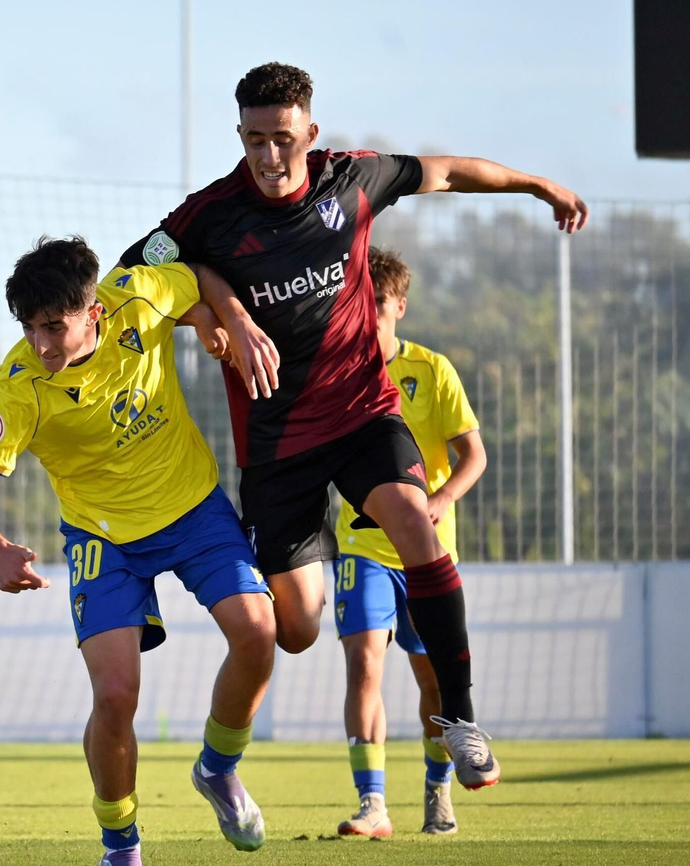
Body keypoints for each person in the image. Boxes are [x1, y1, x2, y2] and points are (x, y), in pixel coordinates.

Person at [120, 62, 588, 789]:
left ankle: (460, 721)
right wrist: (215, 313)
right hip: (277, 448)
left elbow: (450, 171)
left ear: (310, 131)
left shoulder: (354, 181)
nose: (270, 158)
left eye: (282, 139)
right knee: (298, 630)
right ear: (239, 138)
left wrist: (536, 185)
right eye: (254, 142)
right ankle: (221, 759)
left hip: (364, 413)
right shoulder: (208, 215)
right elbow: (133, 274)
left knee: (417, 528)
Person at [0, 236, 275, 866]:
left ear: (92, 311)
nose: (39, 343)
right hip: (102, 539)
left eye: (52, 326)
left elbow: (200, 275)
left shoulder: (139, 296)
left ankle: (217, 768)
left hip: (193, 510)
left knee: (259, 635)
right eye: (29, 328)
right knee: (116, 694)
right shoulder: (21, 387)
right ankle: (120, 850)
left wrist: (228, 318)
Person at [332, 248, 486, 839]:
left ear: (399, 305)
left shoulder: (432, 369)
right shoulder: (338, 375)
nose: (366, 312)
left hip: (427, 553)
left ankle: (437, 789)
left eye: (377, 301)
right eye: (356, 301)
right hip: (363, 546)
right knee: (363, 664)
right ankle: (373, 804)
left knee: (432, 681)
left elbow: (474, 455)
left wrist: (442, 502)